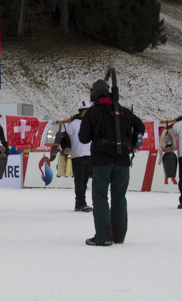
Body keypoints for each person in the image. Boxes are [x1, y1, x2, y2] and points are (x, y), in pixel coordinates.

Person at [79, 78, 146, 246]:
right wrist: (130, 140)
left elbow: (83, 138)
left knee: (100, 196)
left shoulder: (93, 112)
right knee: (119, 197)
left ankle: (103, 236)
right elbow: (141, 127)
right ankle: (119, 235)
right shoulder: (122, 111)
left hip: (102, 161)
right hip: (123, 160)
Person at [59, 101, 92, 212]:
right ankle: (81, 203)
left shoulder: (91, 122)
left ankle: (79, 204)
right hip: (78, 155)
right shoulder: (71, 124)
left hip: (90, 154)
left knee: (84, 181)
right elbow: (64, 137)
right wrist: (66, 147)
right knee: (79, 181)